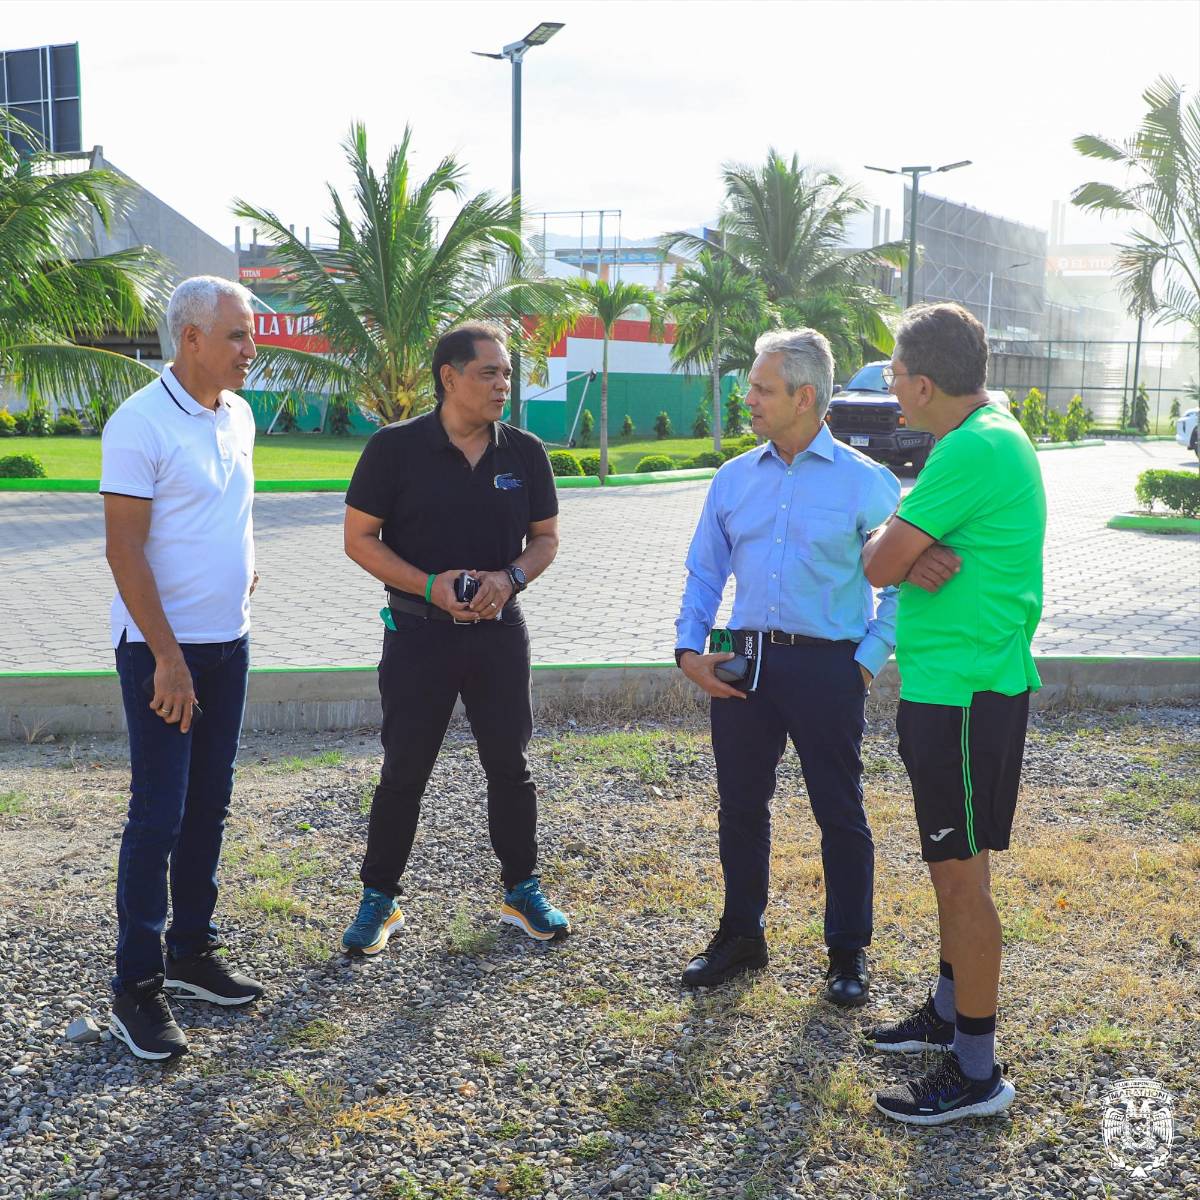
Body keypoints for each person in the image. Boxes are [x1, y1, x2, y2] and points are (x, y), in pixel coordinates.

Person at [673, 329, 899, 1005]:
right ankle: (741, 935)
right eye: (750, 386)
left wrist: (864, 662)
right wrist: (690, 653)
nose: (750, 399)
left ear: (806, 397)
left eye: (762, 388)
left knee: (840, 811)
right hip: (744, 666)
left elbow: (904, 585)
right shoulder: (734, 477)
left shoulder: (867, 484)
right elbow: (704, 571)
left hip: (829, 667)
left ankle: (847, 954)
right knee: (740, 807)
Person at [861, 302, 1046, 1125]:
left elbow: (876, 560)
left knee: (960, 879)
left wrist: (901, 549)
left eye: (896, 377)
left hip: (964, 698)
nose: (890, 390)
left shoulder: (970, 451)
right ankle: (946, 1008)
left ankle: (976, 1070)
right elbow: (896, 554)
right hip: (960, 688)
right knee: (954, 868)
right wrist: (909, 549)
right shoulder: (988, 430)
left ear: (927, 383)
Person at [340, 322, 569, 955]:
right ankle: (380, 899)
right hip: (418, 635)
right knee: (405, 769)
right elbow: (359, 540)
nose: (504, 384)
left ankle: (522, 890)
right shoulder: (395, 449)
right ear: (450, 377)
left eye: (506, 374)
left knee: (511, 766)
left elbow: (546, 538)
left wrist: (511, 577)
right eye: (489, 373)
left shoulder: (524, 453)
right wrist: (429, 585)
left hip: (499, 637)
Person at [100, 276, 264, 1060]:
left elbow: (233, 511)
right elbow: (123, 549)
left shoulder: (240, 415)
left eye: (251, 333)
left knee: (210, 807)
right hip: (162, 653)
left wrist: (246, 568)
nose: (250, 348)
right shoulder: (138, 423)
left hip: (229, 644)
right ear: (190, 338)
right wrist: (166, 656)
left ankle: (192, 953)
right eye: (237, 335)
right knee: (158, 814)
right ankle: (138, 987)